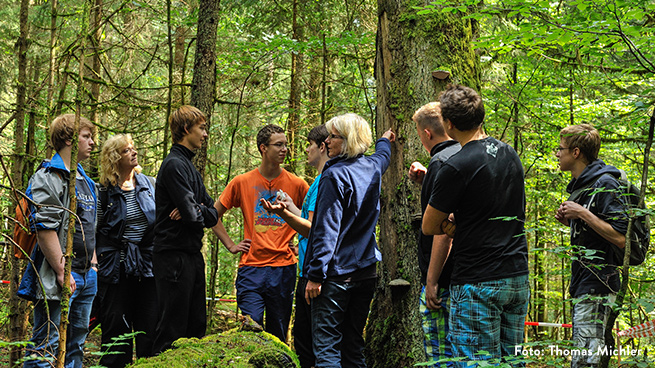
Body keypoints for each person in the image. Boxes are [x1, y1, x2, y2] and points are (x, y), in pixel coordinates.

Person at [422, 85, 529, 367]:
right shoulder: (510, 153)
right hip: (517, 275)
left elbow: (429, 224)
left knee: (475, 362)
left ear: (449, 123)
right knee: (511, 361)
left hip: (477, 280)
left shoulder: (456, 165)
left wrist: (451, 225)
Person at [304, 113, 395, 368]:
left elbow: (326, 230)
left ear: (348, 141)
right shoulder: (372, 167)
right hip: (365, 273)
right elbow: (383, 156)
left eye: (334, 136)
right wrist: (384, 140)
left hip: (335, 277)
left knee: (327, 348)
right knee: (353, 346)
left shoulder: (333, 177)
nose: (327, 142)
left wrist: (315, 275)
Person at [212, 124, 309, 343]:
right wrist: (230, 245)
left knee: (278, 334)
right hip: (251, 268)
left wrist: (301, 245)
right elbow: (213, 216)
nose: (285, 149)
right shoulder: (241, 182)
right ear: (263, 148)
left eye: (286, 144)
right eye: (279, 145)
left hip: (283, 269)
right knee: (251, 329)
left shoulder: (298, 184)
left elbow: (313, 222)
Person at [18, 113, 98, 368]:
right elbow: (45, 229)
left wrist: (93, 265)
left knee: (76, 343)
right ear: (68, 139)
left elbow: (88, 225)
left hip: (86, 274)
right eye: (86, 136)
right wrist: (63, 272)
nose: (93, 142)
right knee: (47, 343)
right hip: (58, 274)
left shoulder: (86, 180)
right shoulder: (49, 176)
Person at [554, 124, 627, 368]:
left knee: (586, 362)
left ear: (576, 153)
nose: (556, 153)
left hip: (598, 283)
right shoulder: (585, 185)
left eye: (560, 148)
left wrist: (583, 214)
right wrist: (573, 221)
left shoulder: (606, 183)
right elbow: (598, 231)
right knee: (585, 357)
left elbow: (622, 238)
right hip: (583, 282)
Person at [260, 124, 330, 367]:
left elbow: (313, 230)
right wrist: (291, 206)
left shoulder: (324, 182)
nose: (304, 151)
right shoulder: (319, 181)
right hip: (309, 271)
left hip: (312, 273)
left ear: (322, 147)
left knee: (309, 344)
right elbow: (311, 222)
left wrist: (284, 215)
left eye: (309, 145)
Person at [152, 105, 219, 354]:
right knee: (172, 328)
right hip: (172, 257)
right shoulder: (173, 165)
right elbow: (194, 216)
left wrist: (196, 208)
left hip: (191, 256)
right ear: (185, 129)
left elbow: (211, 215)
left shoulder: (190, 168)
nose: (205, 134)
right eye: (201, 128)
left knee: (196, 325)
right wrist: (196, 209)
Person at [95, 134, 157, 367]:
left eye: (133, 148)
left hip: (147, 267)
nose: (133, 152)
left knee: (149, 329)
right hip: (114, 269)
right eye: (125, 150)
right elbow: (95, 231)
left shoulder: (150, 185)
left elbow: (161, 223)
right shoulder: (102, 192)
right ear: (114, 157)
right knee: (115, 330)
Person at [407, 102, 460, 367]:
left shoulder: (441, 163)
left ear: (427, 133)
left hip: (446, 281)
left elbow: (445, 229)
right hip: (469, 276)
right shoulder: (463, 156)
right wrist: (427, 179)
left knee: (442, 358)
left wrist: (431, 280)